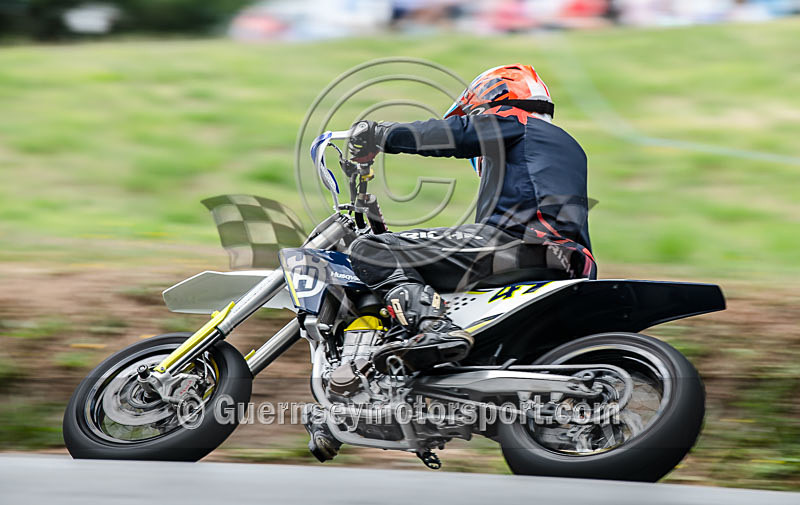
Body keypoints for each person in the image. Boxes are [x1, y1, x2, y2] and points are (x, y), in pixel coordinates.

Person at [346, 64, 596, 374]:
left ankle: (434, 328)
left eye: (472, 115)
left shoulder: (515, 121)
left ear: (492, 99)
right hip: (569, 261)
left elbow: (452, 135)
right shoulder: (565, 146)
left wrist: (380, 134)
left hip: (520, 243)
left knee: (373, 249)